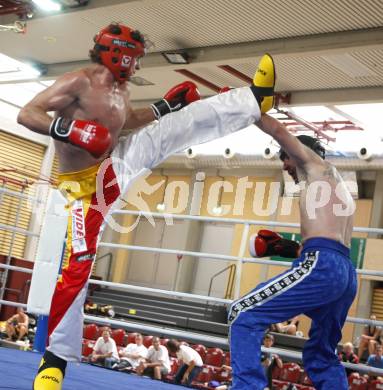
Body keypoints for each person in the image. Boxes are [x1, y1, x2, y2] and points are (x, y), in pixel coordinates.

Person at [18, 20, 275, 389]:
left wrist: (163, 106)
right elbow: (27, 113)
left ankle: (253, 99)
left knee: (171, 126)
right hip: (82, 189)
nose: (136, 66)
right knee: (79, 265)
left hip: (112, 165)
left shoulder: (121, 91)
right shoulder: (79, 81)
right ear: (116, 53)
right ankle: (54, 361)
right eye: (133, 58)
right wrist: (70, 129)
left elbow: (123, 123)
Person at [228, 117, 358, 389]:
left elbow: (278, 130)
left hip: (322, 264)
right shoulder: (339, 188)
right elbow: (323, 240)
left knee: (243, 312)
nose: (285, 165)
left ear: (299, 152)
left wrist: (249, 106)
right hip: (344, 271)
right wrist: (283, 248)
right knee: (322, 353)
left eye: (286, 157)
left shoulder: (315, 167)